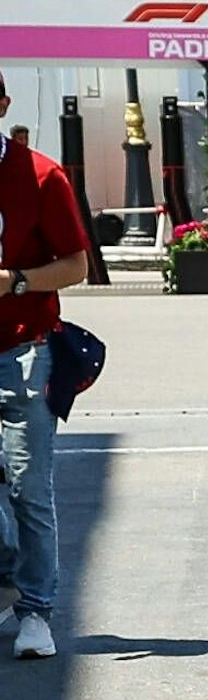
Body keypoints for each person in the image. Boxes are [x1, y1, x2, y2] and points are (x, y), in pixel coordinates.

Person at [0, 72, 89, 660]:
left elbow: (78, 263)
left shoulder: (39, 174)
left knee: (29, 488)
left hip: (22, 348)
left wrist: (18, 281)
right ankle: (10, 581)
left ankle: (35, 612)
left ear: (2, 105)